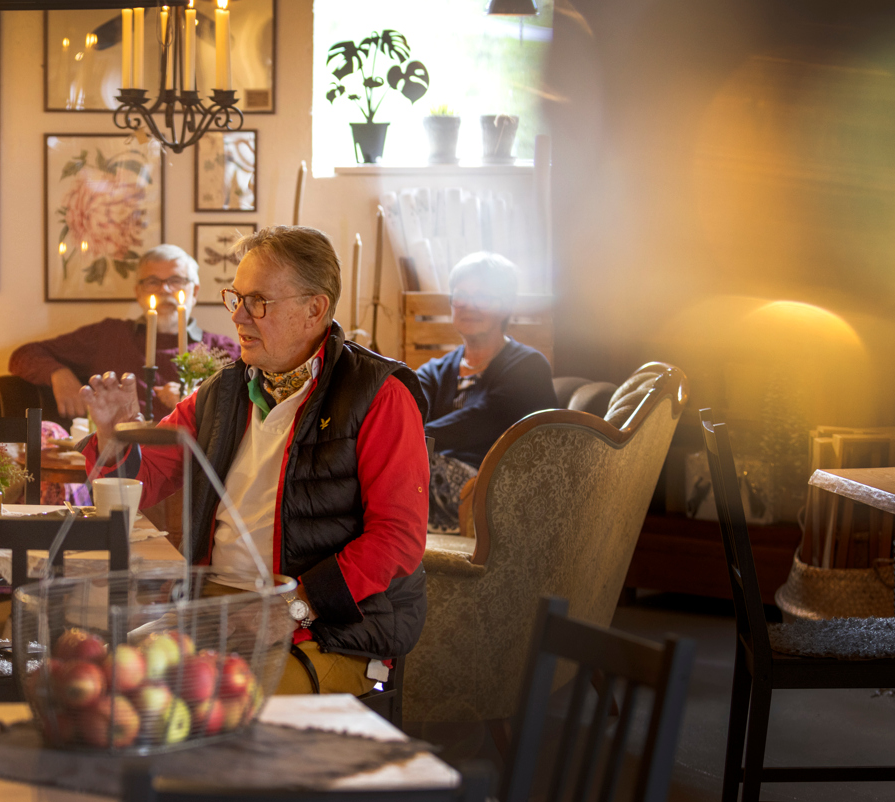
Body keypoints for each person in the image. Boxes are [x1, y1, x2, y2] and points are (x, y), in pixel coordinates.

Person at [80, 226, 429, 696]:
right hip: (214, 610)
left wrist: (295, 606)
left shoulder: (378, 395)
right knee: (106, 682)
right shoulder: (221, 393)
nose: (238, 316)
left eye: (258, 301)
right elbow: (145, 482)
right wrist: (116, 440)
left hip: (329, 629)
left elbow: (398, 538)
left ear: (315, 309)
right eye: (236, 298)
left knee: (221, 704)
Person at [9, 244, 240, 420]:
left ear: (195, 292)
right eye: (152, 282)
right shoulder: (108, 335)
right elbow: (24, 355)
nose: (165, 290)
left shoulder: (221, 350)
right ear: (138, 292)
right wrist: (58, 374)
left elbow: (244, 406)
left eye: (176, 280)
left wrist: (195, 399)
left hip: (192, 461)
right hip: (119, 460)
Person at [418, 252, 557, 532]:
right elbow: (403, 412)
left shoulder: (528, 367)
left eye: (482, 297)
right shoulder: (435, 371)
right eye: (461, 296)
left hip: (502, 494)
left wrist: (409, 441)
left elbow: (483, 419)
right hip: (430, 482)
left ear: (505, 306)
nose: (469, 306)